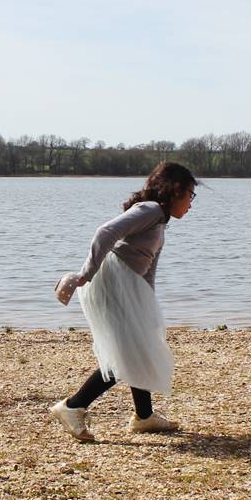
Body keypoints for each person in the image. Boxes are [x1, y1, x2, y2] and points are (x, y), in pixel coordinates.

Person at [49, 162, 197, 442]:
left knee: (137, 345)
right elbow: (105, 232)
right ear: (175, 190)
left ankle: (144, 417)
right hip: (112, 284)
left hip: (128, 287)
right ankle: (72, 406)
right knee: (126, 353)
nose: (191, 203)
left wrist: (147, 304)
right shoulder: (151, 209)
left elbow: (148, 267)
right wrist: (85, 274)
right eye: (190, 194)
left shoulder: (160, 220)